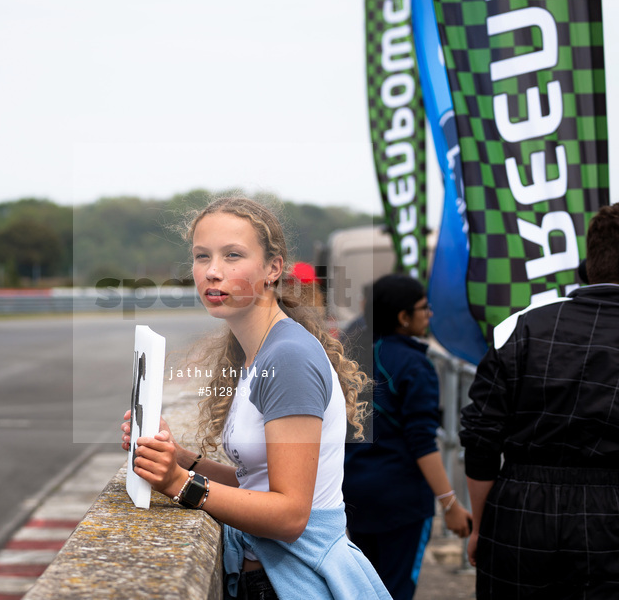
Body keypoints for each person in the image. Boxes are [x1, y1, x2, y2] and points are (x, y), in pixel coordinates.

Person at [121, 195, 391, 600]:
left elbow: (290, 515)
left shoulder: (288, 357)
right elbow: (259, 483)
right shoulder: (260, 350)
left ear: (273, 268)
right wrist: (179, 458)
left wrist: (180, 483)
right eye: (201, 256)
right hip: (268, 576)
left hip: (290, 583)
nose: (212, 272)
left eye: (233, 256)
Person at [460, 202, 619, 599]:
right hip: (609, 518)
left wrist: (481, 526)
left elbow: (480, 437)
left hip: (517, 512)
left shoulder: (520, 324)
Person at [343, 274, 472, 600]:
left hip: (356, 497)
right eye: (423, 308)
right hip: (402, 504)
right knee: (395, 591)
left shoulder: (355, 359)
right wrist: (451, 504)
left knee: (366, 590)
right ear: (403, 317)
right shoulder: (416, 365)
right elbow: (422, 443)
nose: (429, 314)